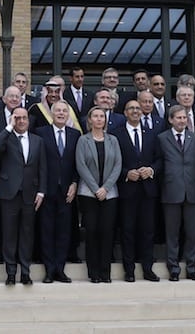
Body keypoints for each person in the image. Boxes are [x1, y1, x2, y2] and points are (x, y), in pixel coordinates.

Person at [0, 106, 46, 286]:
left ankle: (25, 271)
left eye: (24, 118)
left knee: (27, 234)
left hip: (30, 194)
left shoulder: (38, 140)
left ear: (29, 121)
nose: (21, 121)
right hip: (9, 193)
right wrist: (9, 127)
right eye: (18, 118)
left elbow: (42, 168)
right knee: (9, 234)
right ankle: (10, 272)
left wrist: (41, 191)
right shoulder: (7, 138)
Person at [111, 96, 160, 282]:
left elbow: (160, 159)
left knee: (148, 231)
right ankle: (129, 270)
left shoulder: (152, 133)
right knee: (128, 231)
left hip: (148, 190)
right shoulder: (116, 134)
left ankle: (147, 269)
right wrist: (125, 173)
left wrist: (152, 169)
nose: (135, 111)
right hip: (127, 189)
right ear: (124, 113)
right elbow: (112, 161)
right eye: (131, 108)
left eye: (138, 108)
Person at [157, 104, 195, 281]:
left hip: (192, 190)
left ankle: (192, 268)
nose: (182, 121)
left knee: (193, 233)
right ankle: (174, 268)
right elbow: (160, 164)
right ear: (170, 120)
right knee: (172, 233)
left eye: (184, 118)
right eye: (178, 118)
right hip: (171, 190)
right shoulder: (162, 138)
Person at [35, 100, 79, 283]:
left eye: (64, 111)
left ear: (68, 114)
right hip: (46, 190)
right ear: (51, 114)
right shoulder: (40, 133)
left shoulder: (75, 135)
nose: (61, 113)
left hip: (67, 192)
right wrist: (40, 189)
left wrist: (75, 183)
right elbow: (36, 163)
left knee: (64, 232)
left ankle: (60, 269)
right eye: (58, 111)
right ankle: (49, 269)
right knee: (46, 231)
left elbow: (79, 162)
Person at [75, 106, 121, 283]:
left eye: (102, 116)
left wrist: (106, 188)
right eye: (95, 116)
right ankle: (93, 273)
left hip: (109, 194)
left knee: (107, 232)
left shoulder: (113, 140)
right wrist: (96, 188)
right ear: (90, 120)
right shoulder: (83, 140)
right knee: (92, 231)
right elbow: (81, 166)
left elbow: (118, 165)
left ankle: (105, 272)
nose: (99, 119)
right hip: (88, 193)